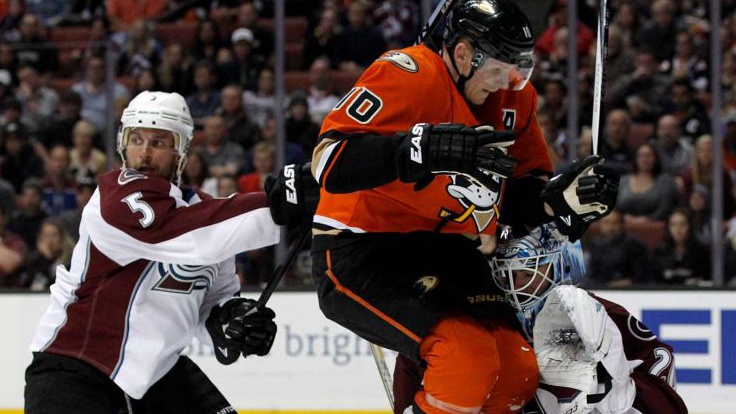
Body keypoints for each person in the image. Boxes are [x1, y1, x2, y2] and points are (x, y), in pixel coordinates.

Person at [310, 1, 618, 412]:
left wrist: (561, 201)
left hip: (449, 250)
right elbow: (328, 160)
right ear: (461, 54)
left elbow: (516, 200)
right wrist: (420, 150)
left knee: (516, 369)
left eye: (518, 70)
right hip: (365, 246)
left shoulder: (513, 100)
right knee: (465, 360)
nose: (508, 82)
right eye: (499, 68)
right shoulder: (411, 74)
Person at [24, 90, 317, 413]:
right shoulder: (115, 197)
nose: (145, 154)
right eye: (137, 140)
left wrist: (230, 322)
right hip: (77, 367)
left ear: (181, 151)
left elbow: (211, 298)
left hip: (155, 375)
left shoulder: (207, 215)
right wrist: (278, 203)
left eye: (159, 143)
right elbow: (187, 235)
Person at [393, 223, 688, 413]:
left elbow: (660, 363)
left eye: (525, 274)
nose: (514, 287)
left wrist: (627, 393)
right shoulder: (486, 318)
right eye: (505, 276)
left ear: (557, 268)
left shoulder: (590, 314)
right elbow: (416, 364)